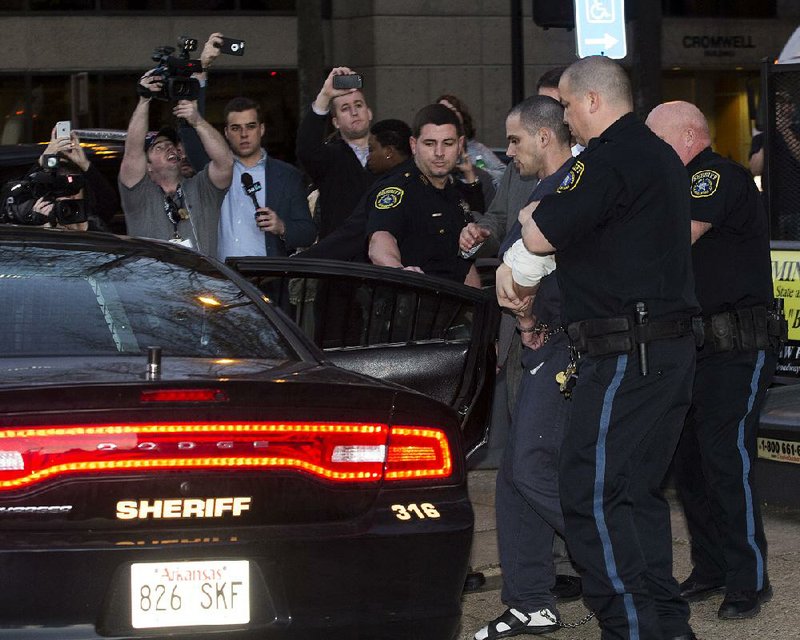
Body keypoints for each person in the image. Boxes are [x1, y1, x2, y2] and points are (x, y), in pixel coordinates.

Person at [518, 56, 701, 640]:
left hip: (626, 353)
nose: (566, 118)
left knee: (592, 495)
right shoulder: (657, 155)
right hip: (661, 351)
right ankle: (665, 624)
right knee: (634, 495)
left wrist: (530, 212)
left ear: (593, 101)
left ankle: (632, 628)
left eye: (568, 106)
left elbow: (542, 231)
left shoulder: (606, 158)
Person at [646, 100, 783, 620]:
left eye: (658, 141)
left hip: (736, 348)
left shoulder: (715, 176)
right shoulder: (676, 183)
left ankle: (748, 579)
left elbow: (682, 236)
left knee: (728, 461)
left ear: (686, 136)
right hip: (691, 349)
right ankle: (711, 567)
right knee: (690, 467)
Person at [473, 94, 578, 640]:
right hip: (542, 341)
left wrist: (531, 306)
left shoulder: (576, 181)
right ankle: (531, 601)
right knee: (516, 474)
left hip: (571, 346)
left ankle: (610, 558)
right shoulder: (543, 185)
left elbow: (529, 267)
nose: (507, 151)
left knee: (533, 467)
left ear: (543, 135)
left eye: (514, 140)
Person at [118, 71, 232, 257]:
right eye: (159, 148)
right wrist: (144, 100)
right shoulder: (139, 194)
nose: (169, 149)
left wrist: (197, 121)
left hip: (203, 285)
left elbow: (225, 162)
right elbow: (133, 152)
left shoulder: (202, 188)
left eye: (171, 146)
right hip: (152, 286)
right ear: (147, 166)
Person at [365, 103, 479, 286]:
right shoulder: (398, 189)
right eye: (429, 143)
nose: (439, 153)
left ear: (460, 145)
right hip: (409, 305)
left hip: (454, 306)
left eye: (448, 143)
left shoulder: (455, 193)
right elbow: (380, 242)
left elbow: (463, 265)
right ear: (413, 145)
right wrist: (400, 272)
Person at [217, 97, 316, 261]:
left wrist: (281, 227)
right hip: (221, 279)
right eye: (236, 128)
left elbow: (308, 233)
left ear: (261, 129)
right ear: (226, 132)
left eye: (250, 126)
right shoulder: (215, 173)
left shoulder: (287, 175)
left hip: (267, 280)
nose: (244, 134)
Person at [302, 119, 413, 262]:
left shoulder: (391, 188)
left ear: (388, 152)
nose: (368, 156)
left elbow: (351, 235)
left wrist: (297, 262)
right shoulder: (416, 178)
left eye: (372, 149)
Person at [296, 66, 376, 239]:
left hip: (384, 259)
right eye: (345, 108)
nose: (354, 112)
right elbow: (306, 148)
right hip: (340, 259)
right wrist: (325, 95)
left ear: (369, 113)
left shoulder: (389, 154)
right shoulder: (329, 158)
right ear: (336, 122)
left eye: (359, 105)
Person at [437, 93, 506, 187]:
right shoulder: (434, 150)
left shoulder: (477, 149)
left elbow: (504, 174)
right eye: (443, 111)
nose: (449, 115)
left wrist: (474, 171)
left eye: (452, 110)